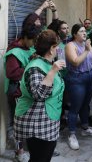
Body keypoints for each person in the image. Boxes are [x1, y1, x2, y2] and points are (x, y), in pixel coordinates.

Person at [13, 30, 66, 162]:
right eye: (56, 46)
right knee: (40, 158)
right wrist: (53, 71)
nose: (58, 49)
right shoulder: (35, 68)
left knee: (43, 157)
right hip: (36, 123)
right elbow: (38, 94)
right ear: (51, 48)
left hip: (47, 120)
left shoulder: (46, 63)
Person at [65, 24, 92, 150]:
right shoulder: (70, 45)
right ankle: (71, 134)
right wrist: (87, 49)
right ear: (75, 34)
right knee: (75, 107)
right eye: (81, 31)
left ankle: (85, 128)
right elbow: (75, 62)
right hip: (77, 78)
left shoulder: (85, 44)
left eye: (85, 31)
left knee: (85, 105)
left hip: (89, 77)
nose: (84, 33)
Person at [4, 24, 41, 162]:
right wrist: (30, 66)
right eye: (32, 40)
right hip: (16, 91)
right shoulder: (13, 53)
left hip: (27, 90)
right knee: (18, 122)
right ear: (25, 37)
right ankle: (19, 152)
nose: (34, 44)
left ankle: (34, 149)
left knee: (30, 121)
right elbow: (11, 73)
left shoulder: (29, 47)